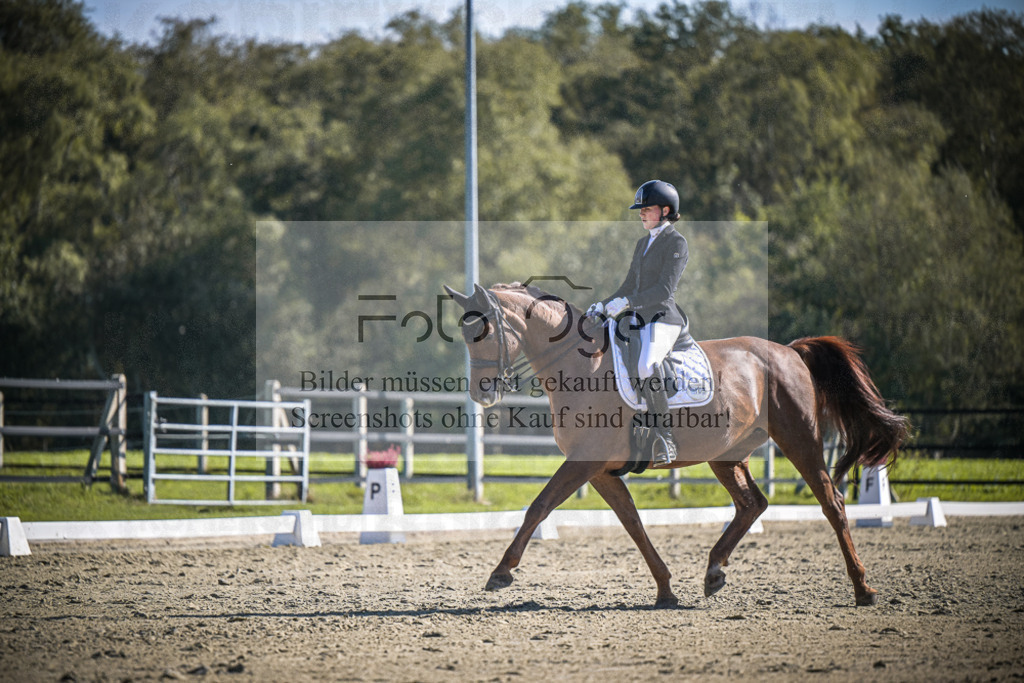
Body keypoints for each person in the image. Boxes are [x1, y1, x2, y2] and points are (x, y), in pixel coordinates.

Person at [587, 180, 688, 465]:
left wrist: (629, 303)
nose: (641, 213)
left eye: (647, 209)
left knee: (646, 365)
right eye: (640, 209)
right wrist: (604, 305)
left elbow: (664, 291)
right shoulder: (643, 243)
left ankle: (665, 437)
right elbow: (629, 285)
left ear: (666, 210)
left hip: (663, 319)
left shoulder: (676, 243)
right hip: (637, 318)